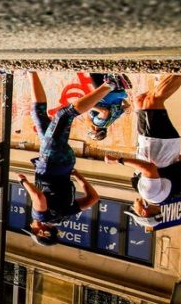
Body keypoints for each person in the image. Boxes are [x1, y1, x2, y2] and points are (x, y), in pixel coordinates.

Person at [17, 72, 121, 246]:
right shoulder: (41, 216)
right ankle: (111, 85)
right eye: (33, 229)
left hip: (64, 164)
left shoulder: (65, 215)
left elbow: (93, 198)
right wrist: (23, 182)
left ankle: (31, 72)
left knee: (39, 115)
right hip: (51, 161)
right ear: (43, 231)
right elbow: (38, 197)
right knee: (64, 115)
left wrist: (78, 177)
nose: (31, 224)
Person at [104, 75, 181, 224]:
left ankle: (176, 73)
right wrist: (118, 160)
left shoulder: (169, 195)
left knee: (140, 100)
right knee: (153, 100)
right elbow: (149, 169)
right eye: (134, 211)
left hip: (157, 142)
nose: (133, 206)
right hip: (156, 142)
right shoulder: (150, 194)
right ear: (144, 212)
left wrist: (172, 153)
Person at [86, 73, 132, 141]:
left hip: (121, 93)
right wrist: (89, 106)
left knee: (104, 73)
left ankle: (118, 85)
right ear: (95, 132)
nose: (89, 131)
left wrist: (122, 98)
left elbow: (127, 107)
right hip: (106, 93)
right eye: (90, 133)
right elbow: (104, 112)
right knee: (94, 73)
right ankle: (114, 84)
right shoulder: (97, 123)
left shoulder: (111, 120)